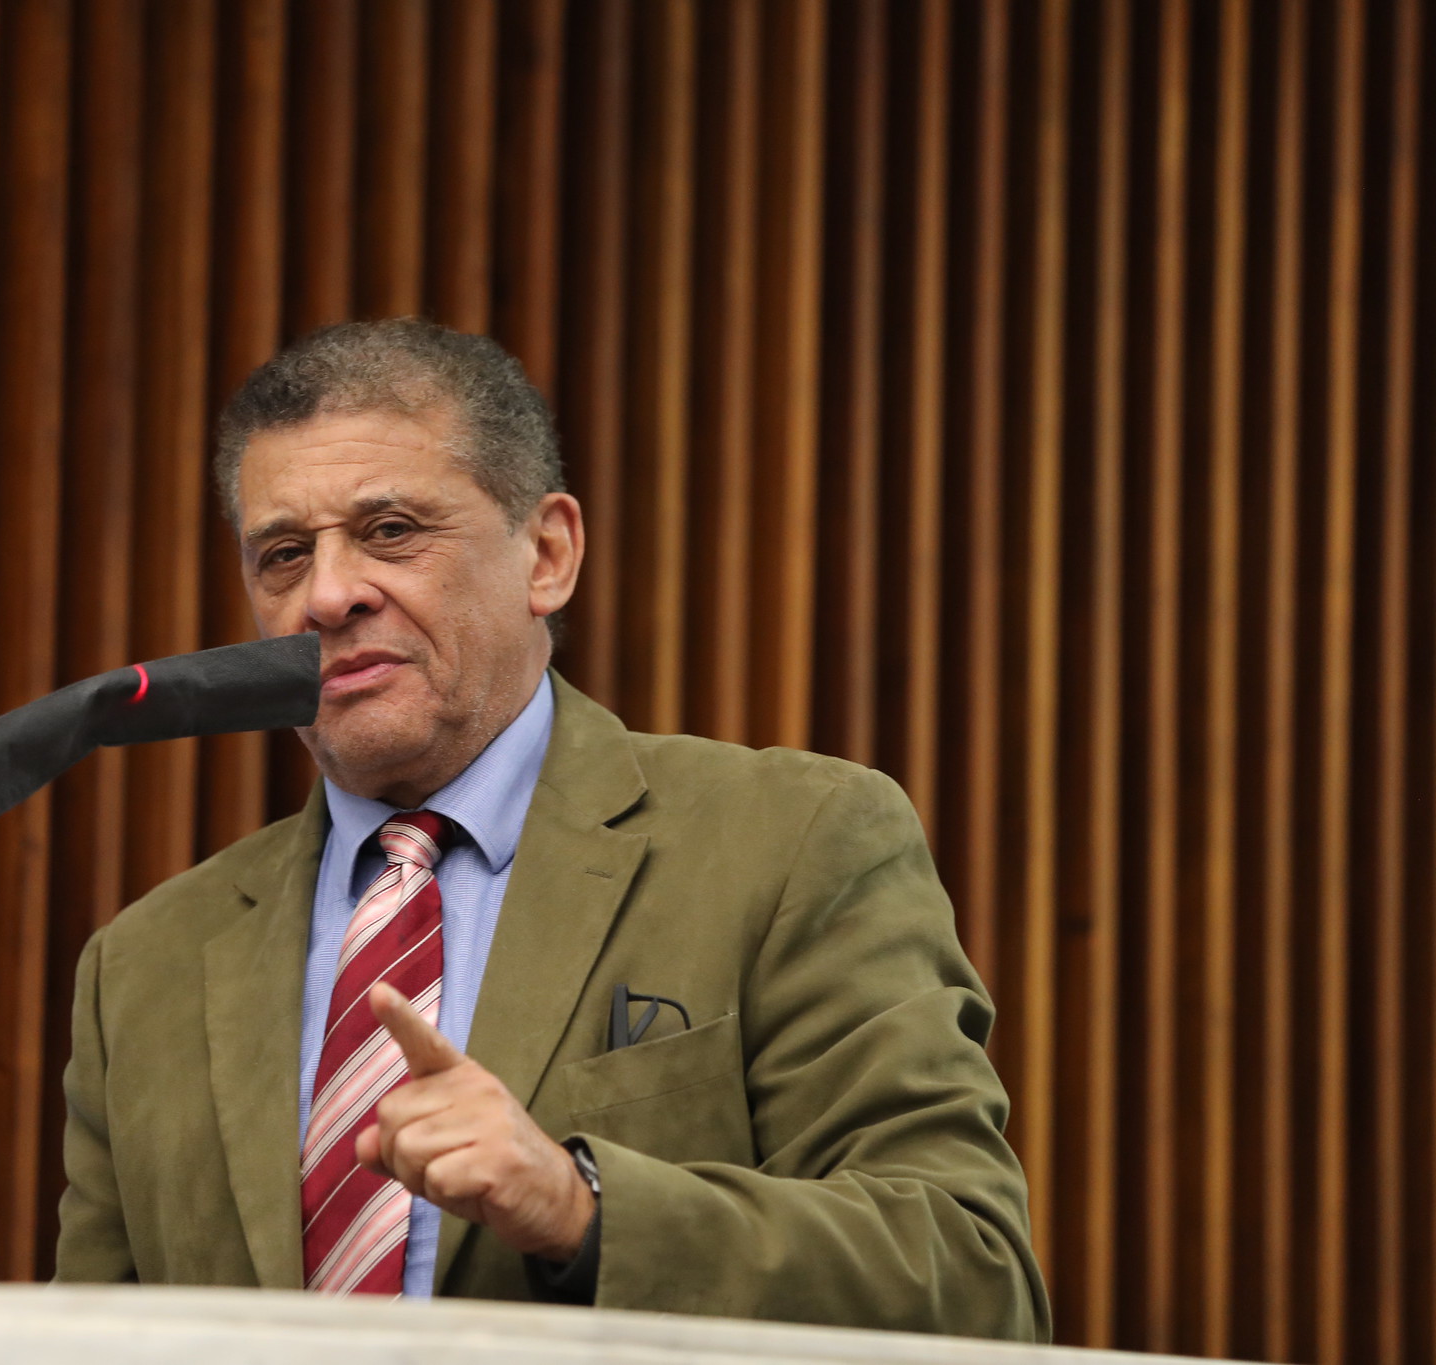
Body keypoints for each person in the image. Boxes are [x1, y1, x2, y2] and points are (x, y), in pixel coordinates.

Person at [54, 319, 1049, 1339]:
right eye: (283, 554)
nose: (327, 593)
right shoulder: (141, 967)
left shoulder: (792, 841)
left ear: (547, 554)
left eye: (390, 530)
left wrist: (582, 1210)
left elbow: (971, 1280)